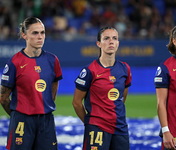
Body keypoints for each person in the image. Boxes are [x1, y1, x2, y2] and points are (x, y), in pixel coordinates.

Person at [0, 17, 63, 150]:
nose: (40, 37)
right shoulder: (15, 62)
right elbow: (3, 97)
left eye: (42, 32)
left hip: (46, 121)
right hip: (22, 121)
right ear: (24, 35)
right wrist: (17, 115)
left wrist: (45, 106)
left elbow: (54, 85)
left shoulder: (53, 60)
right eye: (35, 33)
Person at [72, 26, 132, 150]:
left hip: (120, 127)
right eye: (106, 38)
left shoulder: (125, 69)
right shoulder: (89, 71)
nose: (111, 41)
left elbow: (122, 97)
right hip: (97, 128)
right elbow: (76, 103)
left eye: (114, 38)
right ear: (99, 43)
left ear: (118, 43)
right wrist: (89, 123)